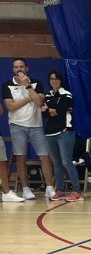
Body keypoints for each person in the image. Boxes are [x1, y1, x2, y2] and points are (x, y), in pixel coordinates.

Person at [3, 58, 57, 201]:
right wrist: (28, 99)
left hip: (36, 125)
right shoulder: (7, 85)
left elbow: (39, 102)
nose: (19, 69)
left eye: (21, 66)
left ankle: (49, 188)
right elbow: (11, 107)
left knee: (44, 156)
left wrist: (28, 86)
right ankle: (26, 189)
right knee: (21, 157)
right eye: (16, 67)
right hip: (17, 125)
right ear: (13, 69)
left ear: (27, 68)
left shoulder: (36, 83)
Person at [43, 70, 83, 201]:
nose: (54, 81)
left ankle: (76, 190)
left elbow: (60, 112)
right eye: (51, 79)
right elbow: (44, 113)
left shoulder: (67, 94)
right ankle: (60, 189)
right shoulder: (48, 95)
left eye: (56, 79)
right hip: (50, 133)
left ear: (61, 80)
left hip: (64, 131)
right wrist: (51, 110)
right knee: (56, 163)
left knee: (67, 162)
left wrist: (49, 109)